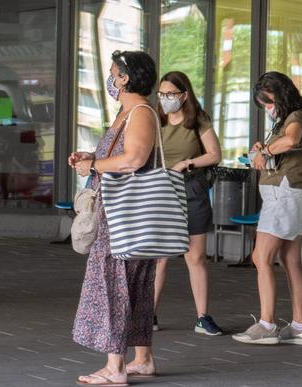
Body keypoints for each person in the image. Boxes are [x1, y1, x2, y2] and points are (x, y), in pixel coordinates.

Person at [69, 50, 160, 386]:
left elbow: (134, 159)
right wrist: (92, 157)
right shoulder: (127, 113)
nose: (110, 79)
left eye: (113, 73)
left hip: (124, 215)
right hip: (127, 213)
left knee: (112, 280)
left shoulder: (140, 112)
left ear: (124, 78)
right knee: (134, 284)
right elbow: (119, 155)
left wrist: (93, 166)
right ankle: (143, 359)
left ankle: (114, 367)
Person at [232, 71, 302, 346]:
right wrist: (265, 148)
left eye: (269, 103)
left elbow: (291, 140)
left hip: (285, 195)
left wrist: (266, 151)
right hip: (293, 196)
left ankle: (267, 324)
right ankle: (299, 327)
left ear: (281, 95)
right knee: (291, 262)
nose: (268, 109)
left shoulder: (295, 118)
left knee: (261, 257)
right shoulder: (297, 116)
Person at [149, 71, 224, 342]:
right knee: (159, 257)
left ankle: (203, 317)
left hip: (191, 188)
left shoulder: (197, 120)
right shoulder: (155, 119)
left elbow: (215, 154)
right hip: (160, 191)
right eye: (161, 94)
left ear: (184, 94)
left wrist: (187, 163)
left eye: (171, 94)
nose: (165, 99)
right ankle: (149, 314)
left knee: (195, 257)